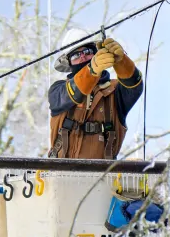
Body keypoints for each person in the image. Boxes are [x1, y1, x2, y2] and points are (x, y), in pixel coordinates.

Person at [48, 29, 144, 159]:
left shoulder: (115, 91)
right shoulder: (58, 90)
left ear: (95, 54)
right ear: (69, 63)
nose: (82, 57)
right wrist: (91, 71)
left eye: (87, 52)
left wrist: (122, 62)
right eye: (76, 56)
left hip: (103, 176)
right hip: (63, 174)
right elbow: (73, 92)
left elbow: (135, 86)